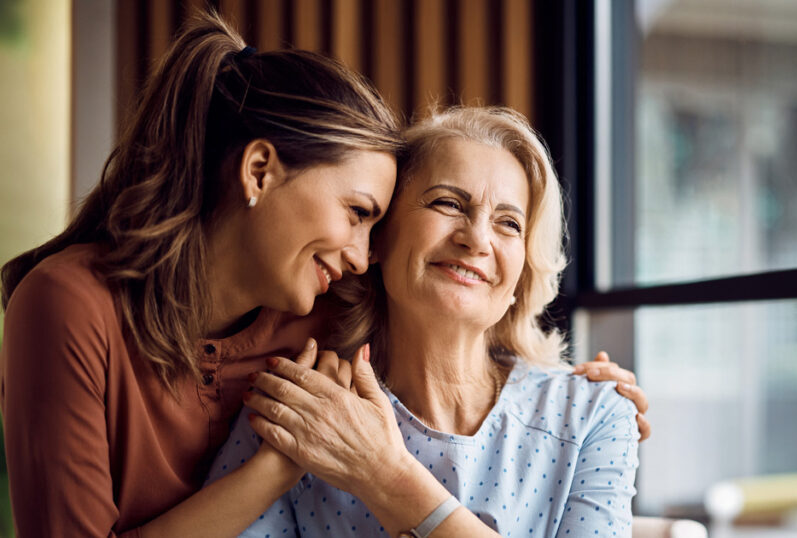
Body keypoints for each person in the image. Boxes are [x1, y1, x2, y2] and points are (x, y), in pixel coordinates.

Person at [0, 12, 647, 537]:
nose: (362, 255)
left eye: (509, 223)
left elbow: (455, 318)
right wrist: (281, 466)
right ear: (258, 172)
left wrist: (589, 395)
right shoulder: (75, 306)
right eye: (360, 214)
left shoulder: (321, 317)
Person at [209, 107, 641, 537]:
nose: (476, 239)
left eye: (508, 223)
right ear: (379, 237)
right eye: (448, 203)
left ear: (521, 276)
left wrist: (384, 474)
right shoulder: (301, 404)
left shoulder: (593, 416)